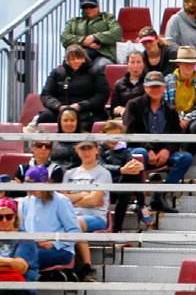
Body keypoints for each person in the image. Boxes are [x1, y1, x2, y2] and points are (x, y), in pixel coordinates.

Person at [121, 72, 193, 213]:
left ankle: (161, 196)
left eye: (158, 86)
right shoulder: (133, 105)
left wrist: (167, 150)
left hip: (162, 152)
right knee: (140, 154)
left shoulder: (170, 109)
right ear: (145, 87)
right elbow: (131, 132)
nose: (155, 89)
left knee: (185, 158)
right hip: (138, 149)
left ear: (164, 88)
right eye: (151, 86)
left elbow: (176, 134)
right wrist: (148, 149)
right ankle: (139, 200)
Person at [19, 165, 80, 278]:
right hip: (34, 247)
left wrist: (53, 244)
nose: (30, 189)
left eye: (32, 184)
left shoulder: (61, 201)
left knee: (26, 258)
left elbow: (75, 231)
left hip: (61, 250)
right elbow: (23, 229)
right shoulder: (26, 201)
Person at [62, 138, 110, 279]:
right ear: (77, 151)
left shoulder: (103, 173)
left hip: (95, 217)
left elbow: (95, 200)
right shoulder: (69, 173)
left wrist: (73, 200)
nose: (86, 152)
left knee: (74, 223)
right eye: (83, 148)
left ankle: (87, 266)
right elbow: (62, 200)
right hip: (71, 215)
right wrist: (83, 195)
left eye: (89, 148)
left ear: (96, 150)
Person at [97, 119, 151, 231]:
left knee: (130, 182)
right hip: (104, 183)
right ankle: (142, 206)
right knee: (127, 185)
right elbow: (100, 166)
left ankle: (118, 228)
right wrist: (121, 170)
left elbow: (130, 160)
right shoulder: (98, 149)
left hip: (121, 183)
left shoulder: (122, 149)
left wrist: (137, 165)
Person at [39, 44, 110, 126]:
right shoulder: (57, 73)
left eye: (79, 58)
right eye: (72, 59)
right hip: (60, 110)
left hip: (87, 110)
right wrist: (59, 106)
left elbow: (102, 95)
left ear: (84, 59)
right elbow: (46, 95)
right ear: (67, 60)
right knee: (45, 117)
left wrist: (80, 106)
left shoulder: (95, 72)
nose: (76, 61)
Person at [0, 198, 40, 295]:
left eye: (9, 217)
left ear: (15, 218)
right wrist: (8, 263)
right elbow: (13, 263)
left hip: (20, 288)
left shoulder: (25, 239)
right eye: (0, 217)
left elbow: (20, 267)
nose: (4, 221)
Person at [61, 0, 121, 66]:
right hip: (81, 53)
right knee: (66, 66)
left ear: (98, 7)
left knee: (100, 66)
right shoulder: (73, 22)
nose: (88, 9)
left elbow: (116, 34)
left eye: (92, 6)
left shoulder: (107, 18)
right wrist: (83, 40)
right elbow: (65, 38)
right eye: (85, 7)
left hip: (104, 53)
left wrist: (94, 37)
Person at [167, 46, 196, 134]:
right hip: (173, 118)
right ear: (179, 64)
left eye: (192, 63)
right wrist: (178, 118)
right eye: (185, 63)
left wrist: (187, 119)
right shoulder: (167, 82)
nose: (189, 66)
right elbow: (166, 105)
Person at [109, 49, 148, 119]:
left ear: (144, 64)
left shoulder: (148, 82)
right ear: (127, 65)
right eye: (132, 62)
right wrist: (118, 110)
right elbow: (114, 109)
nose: (135, 66)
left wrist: (127, 111)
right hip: (123, 119)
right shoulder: (119, 84)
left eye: (138, 62)